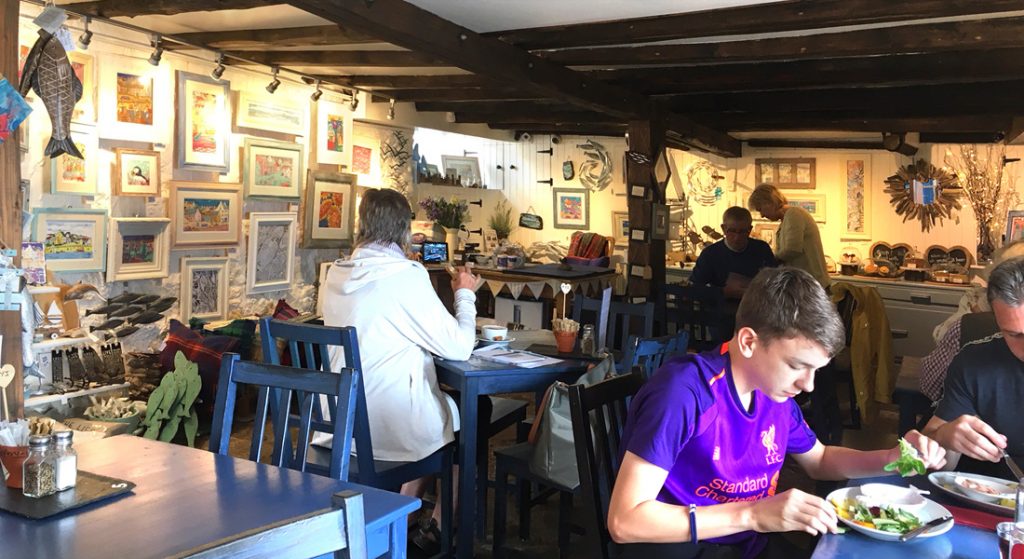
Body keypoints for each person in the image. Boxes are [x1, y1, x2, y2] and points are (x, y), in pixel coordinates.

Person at [608, 267, 945, 559]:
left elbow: (821, 460)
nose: (809, 385)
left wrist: (892, 456)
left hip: (745, 546)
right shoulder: (684, 393)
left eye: (816, 370)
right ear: (749, 342)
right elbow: (625, 522)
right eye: (797, 365)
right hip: (682, 549)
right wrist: (753, 515)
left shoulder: (773, 394)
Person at [320, 187, 484, 551]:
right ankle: (438, 526)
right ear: (404, 229)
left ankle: (404, 514)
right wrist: (465, 293)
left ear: (362, 225)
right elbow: (458, 346)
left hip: (339, 426)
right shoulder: (406, 275)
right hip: (385, 432)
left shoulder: (334, 274)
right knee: (466, 421)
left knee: (439, 415)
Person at [922, 256, 1024, 479]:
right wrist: (946, 438)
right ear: (996, 320)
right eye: (1015, 334)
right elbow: (932, 467)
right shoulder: (974, 363)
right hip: (990, 499)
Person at [748, 184, 830, 290]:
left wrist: (769, 261)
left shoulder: (794, 214)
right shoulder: (786, 219)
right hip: (805, 283)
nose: (762, 215)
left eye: (761, 209)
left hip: (810, 285)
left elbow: (792, 249)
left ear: (769, 202)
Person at [690, 206, 776, 299]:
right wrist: (722, 292)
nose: (737, 237)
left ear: (749, 230)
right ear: (723, 228)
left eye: (742, 232)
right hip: (720, 309)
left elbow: (776, 283)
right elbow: (695, 288)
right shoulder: (710, 254)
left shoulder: (761, 249)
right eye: (732, 231)